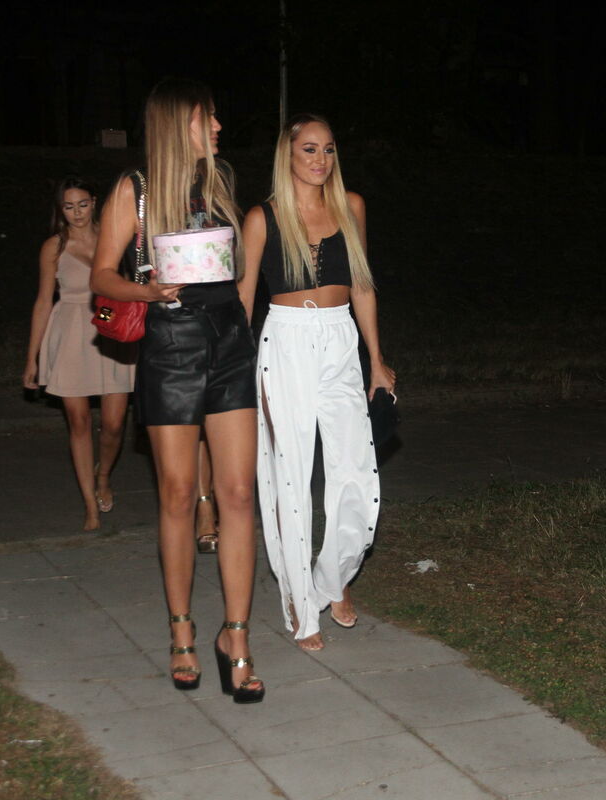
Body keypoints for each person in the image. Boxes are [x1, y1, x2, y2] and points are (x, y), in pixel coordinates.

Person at [90, 78, 264, 703]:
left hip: (229, 338)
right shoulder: (134, 190)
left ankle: (236, 637)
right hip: (169, 344)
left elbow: (235, 268)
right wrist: (147, 290)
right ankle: (182, 629)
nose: (217, 126)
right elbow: (102, 276)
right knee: (178, 493)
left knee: (238, 492)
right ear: (176, 124)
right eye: (206, 117)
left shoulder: (221, 180)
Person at [239, 113, 395, 651]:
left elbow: (363, 286)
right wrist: (234, 371)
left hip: (340, 338)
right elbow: (243, 298)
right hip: (285, 341)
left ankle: (334, 578)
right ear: (287, 154)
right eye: (309, 149)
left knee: (355, 473)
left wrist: (376, 359)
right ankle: (301, 606)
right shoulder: (262, 217)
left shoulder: (351, 206)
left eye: (328, 149)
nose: (320, 160)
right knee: (289, 477)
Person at [23, 178, 132, 532]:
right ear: (61, 210)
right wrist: (31, 357)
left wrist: (109, 320)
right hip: (69, 331)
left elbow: (125, 286)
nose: (77, 213)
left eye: (83, 204)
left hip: (108, 328)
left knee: (114, 424)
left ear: (94, 202)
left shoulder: (113, 237)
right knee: (79, 421)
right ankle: (89, 504)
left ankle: (103, 476)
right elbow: (43, 301)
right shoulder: (53, 247)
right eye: (69, 207)